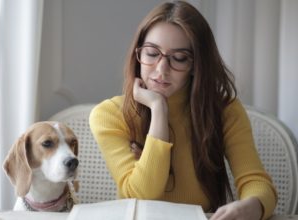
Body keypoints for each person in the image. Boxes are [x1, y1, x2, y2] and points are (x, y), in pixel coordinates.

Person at [89, 1, 277, 219]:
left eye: (179, 58)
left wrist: (252, 206)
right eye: (151, 53)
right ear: (138, 54)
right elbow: (140, 194)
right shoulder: (109, 115)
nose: (161, 70)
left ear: (197, 65)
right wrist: (159, 109)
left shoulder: (226, 111)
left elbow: (256, 181)